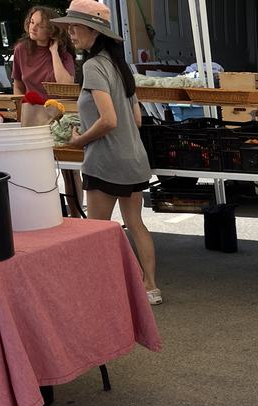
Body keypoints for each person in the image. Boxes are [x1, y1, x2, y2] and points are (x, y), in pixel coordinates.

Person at [54, 0, 161, 305]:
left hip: (106, 160)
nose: (70, 32)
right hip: (134, 158)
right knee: (136, 223)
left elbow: (109, 120)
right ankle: (150, 287)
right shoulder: (119, 65)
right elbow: (135, 118)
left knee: (96, 232)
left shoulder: (92, 65)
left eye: (75, 27)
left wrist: (79, 140)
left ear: (94, 31)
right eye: (69, 27)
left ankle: (101, 290)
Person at [12, 5, 85, 217]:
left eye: (40, 25)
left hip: (60, 115)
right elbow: (17, 83)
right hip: (32, 116)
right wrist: (20, 106)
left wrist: (53, 52)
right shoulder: (21, 49)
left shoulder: (62, 52)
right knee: (36, 167)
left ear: (52, 30)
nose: (33, 28)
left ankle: (75, 214)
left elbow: (66, 83)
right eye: (31, 22)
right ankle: (43, 212)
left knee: (70, 171)